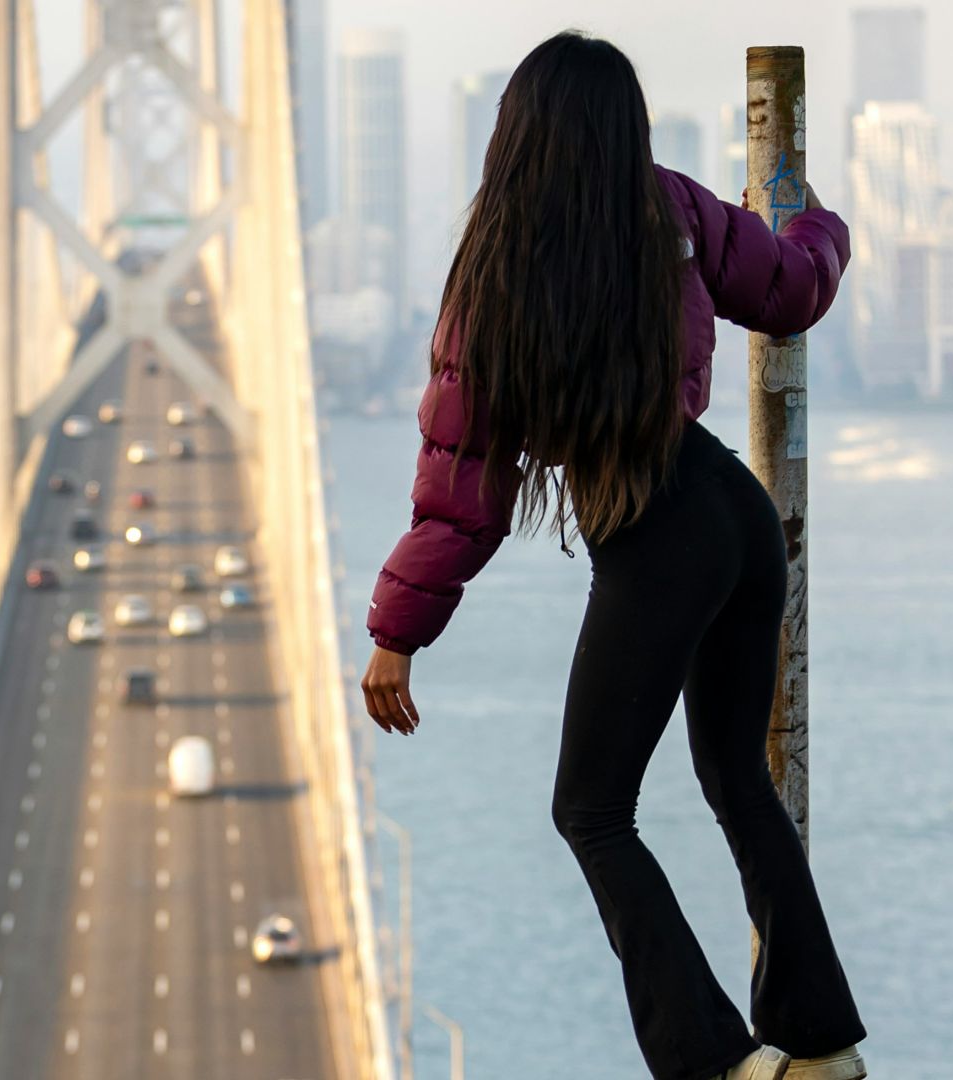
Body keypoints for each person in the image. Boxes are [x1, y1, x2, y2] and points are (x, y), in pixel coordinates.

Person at [358, 31, 868, 1080]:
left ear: (515, 136)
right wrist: (814, 222)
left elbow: (464, 493)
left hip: (658, 538)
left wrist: (396, 636)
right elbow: (792, 288)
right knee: (737, 777)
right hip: (734, 511)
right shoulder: (672, 207)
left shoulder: (494, 274)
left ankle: (713, 1063)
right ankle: (819, 1043)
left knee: (590, 810)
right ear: (625, 128)